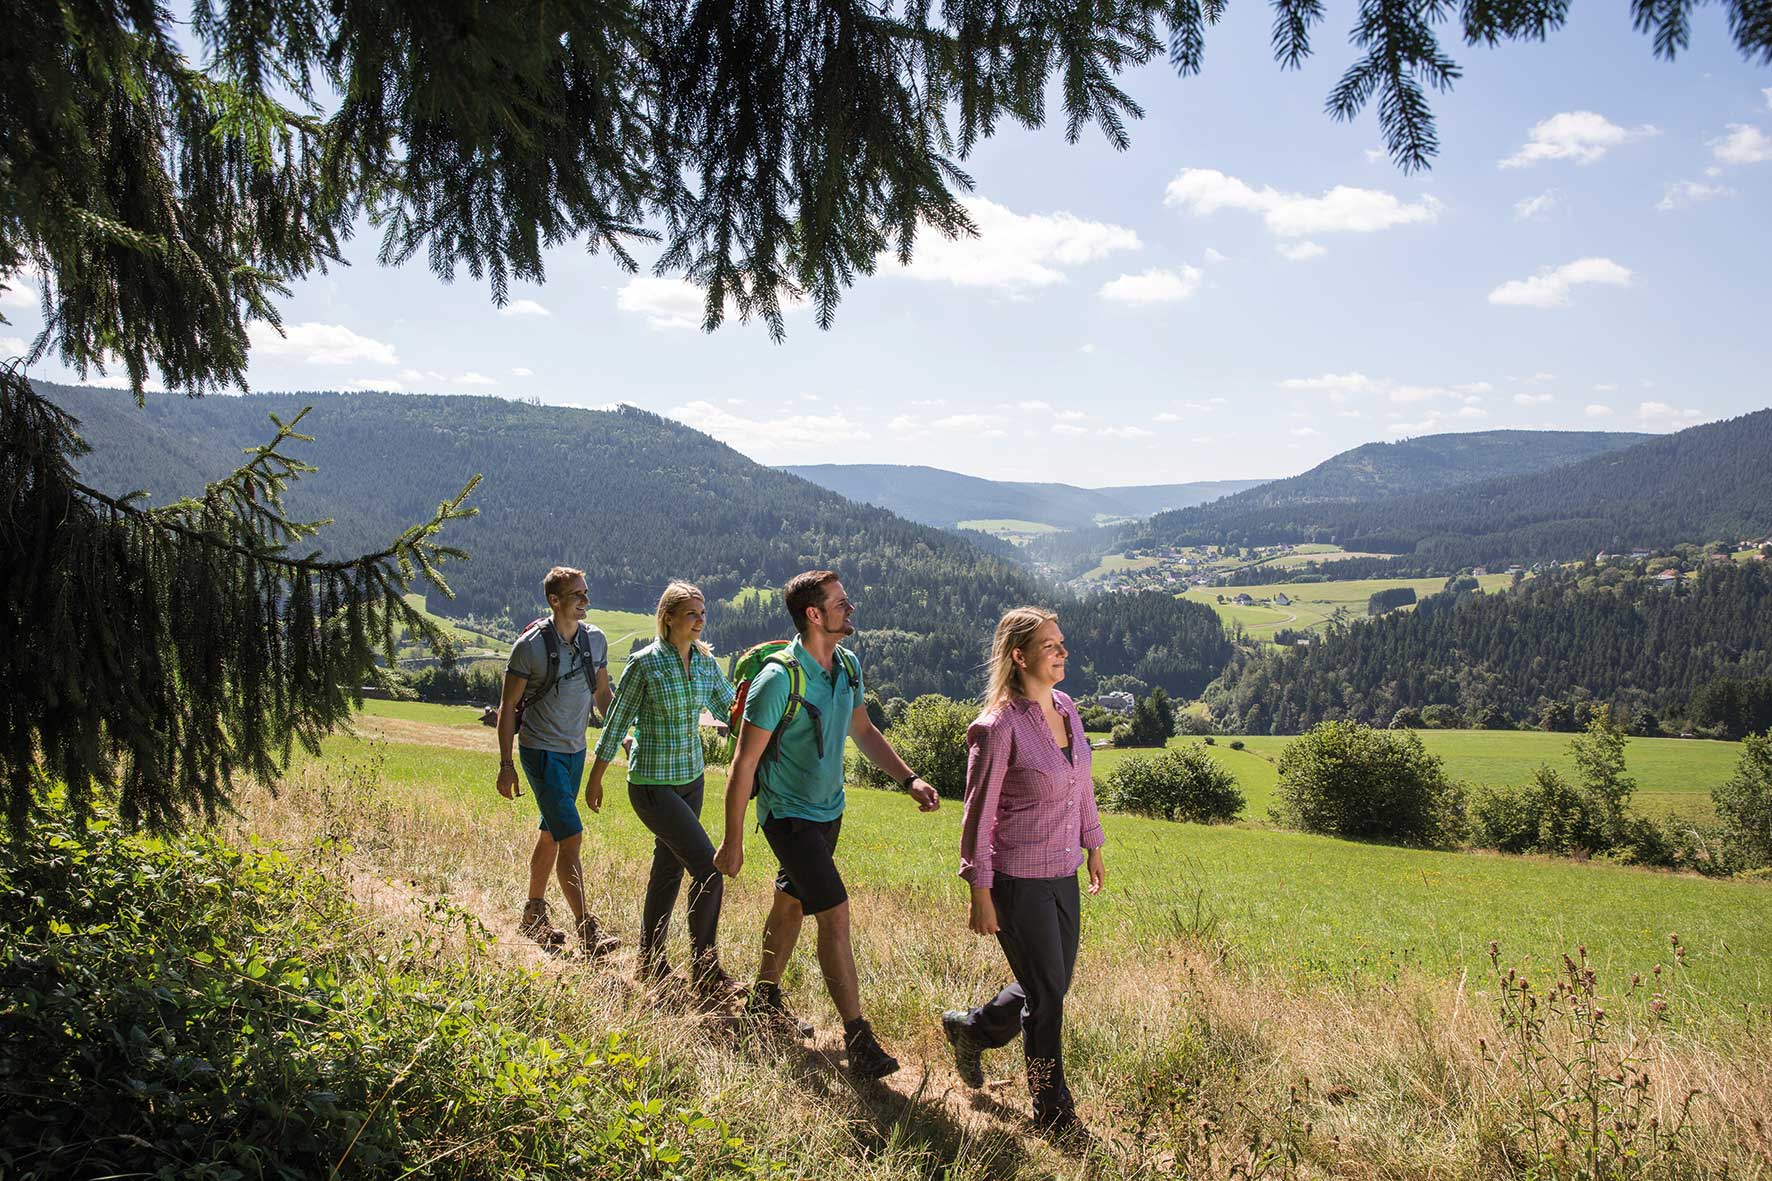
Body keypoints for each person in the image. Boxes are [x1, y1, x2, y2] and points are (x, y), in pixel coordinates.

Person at [712, 570, 941, 1079]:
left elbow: (862, 728)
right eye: (840, 602)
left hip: (828, 811)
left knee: (792, 901)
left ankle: (763, 1001)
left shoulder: (848, 663)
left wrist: (909, 780)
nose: (850, 607)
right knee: (834, 913)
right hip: (787, 816)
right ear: (813, 615)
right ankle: (857, 1036)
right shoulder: (778, 678)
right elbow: (743, 765)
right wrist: (732, 841)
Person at [941, 607, 1106, 1138]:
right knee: (1049, 996)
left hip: (1063, 872)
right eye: (1050, 646)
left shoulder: (1066, 708)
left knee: (1051, 984)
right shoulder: (996, 728)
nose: (1062, 653)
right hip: (1016, 878)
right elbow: (978, 816)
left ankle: (974, 1027)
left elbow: (1081, 783)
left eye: (1062, 643)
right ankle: (1053, 1111)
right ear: (1019, 656)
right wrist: (980, 890)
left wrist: (1093, 845)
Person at [588, 581, 737, 997]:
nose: (700, 620)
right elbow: (617, 722)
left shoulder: (707, 664)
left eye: (702, 613)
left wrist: (760, 706)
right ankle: (705, 971)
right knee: (709, 870)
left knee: (669, 869)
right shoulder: (644, 664)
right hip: (652, 785)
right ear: (668, 617)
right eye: (692, 613)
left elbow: (732, 709)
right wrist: (596, 777)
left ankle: (650, 962)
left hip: (691, 779)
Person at [495, 565, 619, 956]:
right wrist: (506, 765)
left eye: (586, 593)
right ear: (555, 600)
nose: (586, 600)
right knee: (571, 835)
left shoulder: (595, 640)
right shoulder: (530, 647)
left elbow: (602, 695)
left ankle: (533, 915)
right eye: (578, 594)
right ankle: (587, 931)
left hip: (575, 750)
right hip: (541, 750)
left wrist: (622, 737)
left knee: (551, 833)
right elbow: (507, 707)